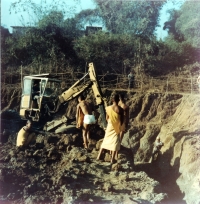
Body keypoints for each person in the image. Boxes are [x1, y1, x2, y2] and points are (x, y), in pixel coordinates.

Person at [96, 94, 124, 164]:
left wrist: (111, 122)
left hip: (110, 125)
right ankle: (112, 159)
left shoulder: (108, 108)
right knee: (115, 141)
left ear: (112, 100)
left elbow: (106, 118)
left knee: (106, 139)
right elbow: (122, 120)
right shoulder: (120, 109)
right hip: (116, 126)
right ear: (118, 100)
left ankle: (99, 156)